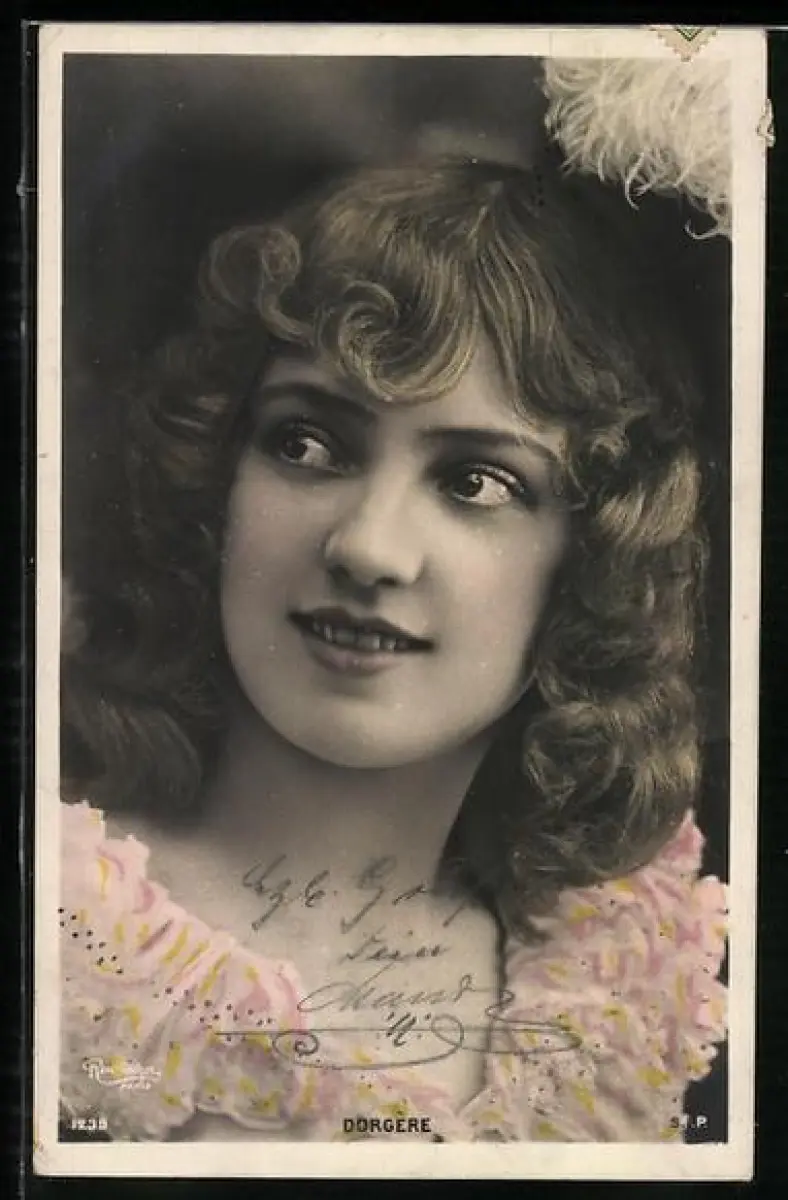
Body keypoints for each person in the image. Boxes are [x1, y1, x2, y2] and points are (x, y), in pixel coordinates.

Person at [58, 153, 727, 1144]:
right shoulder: (63, 937)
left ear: (591, 563)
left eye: (474, 482)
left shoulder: (613, 1009)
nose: (367, 548)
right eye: (305, 444)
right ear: (214, 481)